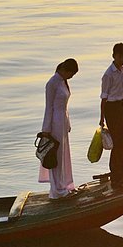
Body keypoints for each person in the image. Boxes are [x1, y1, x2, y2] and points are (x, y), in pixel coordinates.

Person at [39, 58, 79, 199]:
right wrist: (46, 129)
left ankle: (64, 184)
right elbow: (48, 107)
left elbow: (65, 106)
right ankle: (57, 190)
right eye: (71, 74)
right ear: (64, 70)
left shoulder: (63, 81)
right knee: (55, 155)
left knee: (63, 154)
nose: (71, 77)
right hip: (55, 122)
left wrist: (68, 123)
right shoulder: (52, 83)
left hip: (62, 121)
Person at [100, 43, 123, 187]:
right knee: (116, 141)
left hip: (120, 106)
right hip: (111, 108)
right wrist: (101, 118)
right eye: (120, 56)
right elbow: (103, 98)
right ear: (114, 55)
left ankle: (122, 172)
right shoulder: (108, 74)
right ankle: (115, 174)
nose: (122, 59)